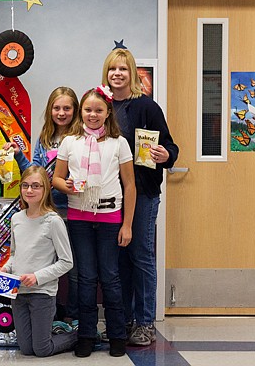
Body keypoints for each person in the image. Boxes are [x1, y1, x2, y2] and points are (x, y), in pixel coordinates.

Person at [51, 85, 135, 358]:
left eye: (98, 110)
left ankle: (117, 334)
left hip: (111, 219)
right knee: (86, 278)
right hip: (79, 219)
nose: (92, 115)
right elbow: (56, 179)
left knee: (110, 277)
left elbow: (130, 185)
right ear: (81, 112)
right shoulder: (70, 142)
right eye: (88, 110)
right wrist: (68, 187)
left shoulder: (118, 143)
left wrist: (127, 224)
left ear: (108, 112)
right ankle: (86, 335)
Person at [102, 47, 179, 347]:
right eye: (112, 69)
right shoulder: (102, 106)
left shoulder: (147, 107)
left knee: (141, 255)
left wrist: (165, 155)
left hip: (143, 193)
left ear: (132, 73)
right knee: (118, 258)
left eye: (123, 69)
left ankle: (145, 322)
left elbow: (171, 148)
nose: (117, 74)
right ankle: (123, 320)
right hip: (110, 196)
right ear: (106, 73)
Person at [3, 86, 80, 327]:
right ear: (50, 111)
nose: (61, 113)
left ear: (75, 111)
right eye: (56, 108)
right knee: (44, 266)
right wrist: (18, 155)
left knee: (73, 266)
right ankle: (49, 313)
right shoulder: (45, 138)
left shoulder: (80, 139)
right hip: (46, 211)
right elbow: (35, 171)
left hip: (73, 209)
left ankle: (74, 316)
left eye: (67, 108)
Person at [0, 165, 76, 357]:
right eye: (25, 186)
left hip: (42, 292)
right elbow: (15, 254)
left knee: (42, 349)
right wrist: (4, 268)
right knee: (26, 349)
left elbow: (66, 261)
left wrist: (37, 277)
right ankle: (52, 329)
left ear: (45, 189)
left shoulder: (53, 221)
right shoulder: (16, 219)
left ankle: (78, 335)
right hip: (18, 292)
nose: (29, 190)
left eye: (36, 186)